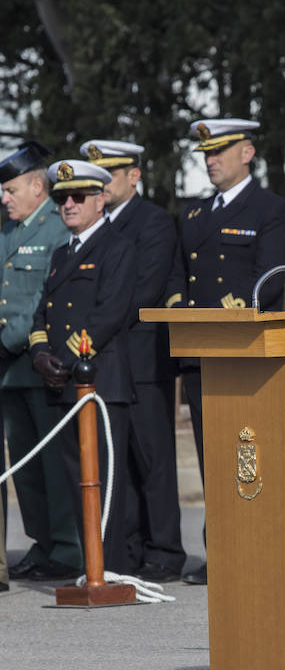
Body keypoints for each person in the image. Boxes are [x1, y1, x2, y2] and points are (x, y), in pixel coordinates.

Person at [166, 118, 285, 584]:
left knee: (251, 454)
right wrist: (181, 310)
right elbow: (178, 274)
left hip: (244, 351)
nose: (210, 160)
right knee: (211, 456)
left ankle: (258, 548)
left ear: (248, 153)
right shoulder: (195, 214)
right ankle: (219, 550)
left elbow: (273, 275)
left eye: (220, 151)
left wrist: (234, 314)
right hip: (203, 353)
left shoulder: (271, 209)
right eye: (206, 153)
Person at [80, 139, 185, 582]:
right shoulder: (97, 226)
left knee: (153, 458)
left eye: (110, 176)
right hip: (107, 359)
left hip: (142, 359)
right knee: (115, 460)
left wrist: (94, 324)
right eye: (97, 178)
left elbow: (140, 291)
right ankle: (126, 549)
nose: (102, 185)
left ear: (134, 176)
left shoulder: (154, 222)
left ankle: (164, 552)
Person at [29, 159, 136, 575]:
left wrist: (67, 359)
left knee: (105, 482)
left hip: (100, 382)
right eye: (61, 198)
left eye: (77, 197)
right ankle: (91, 565)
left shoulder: (118, 246)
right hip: (62, 383)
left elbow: (110, 314)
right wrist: (40, 355)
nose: (68, 204)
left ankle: (112, 568)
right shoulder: (60, 253)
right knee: (78, 482)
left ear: (100, 199)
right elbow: (43, 313)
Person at [0, 142, 82, 581]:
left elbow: (41, 301)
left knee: (53, 462)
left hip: (38, 362)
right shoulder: (8, 234)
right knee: (25, 470)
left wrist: (12, 341)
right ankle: (43, 541)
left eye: (11, 189)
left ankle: (69, 547)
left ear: (37, 185)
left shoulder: (56, 228)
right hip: (10, 373)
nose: (4, 198)